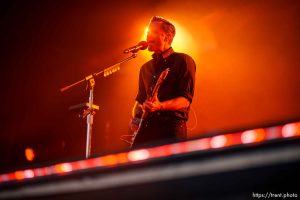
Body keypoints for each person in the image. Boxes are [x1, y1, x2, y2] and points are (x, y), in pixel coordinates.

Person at [130, 16, 196, 148]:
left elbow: (185, 100)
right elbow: (140, 100)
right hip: (147, 129)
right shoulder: (145, 68)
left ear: (167, 37)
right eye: (147, 32)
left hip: (170, 129)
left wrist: (160, 106)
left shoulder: (183, 61)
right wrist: (136, 118)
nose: (147, 36)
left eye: (152, 32)